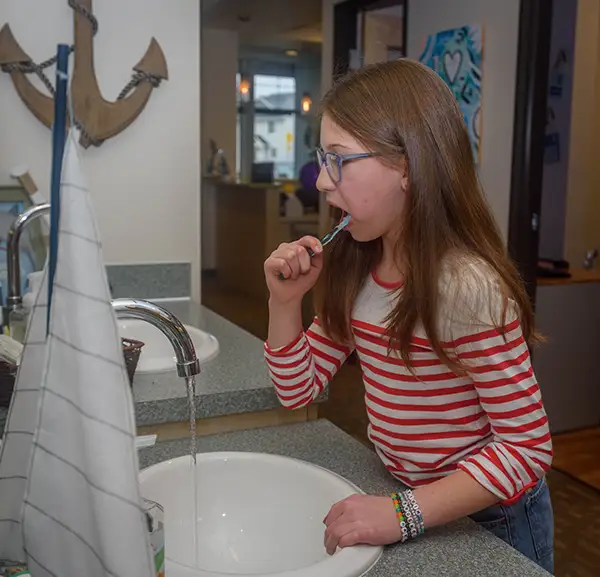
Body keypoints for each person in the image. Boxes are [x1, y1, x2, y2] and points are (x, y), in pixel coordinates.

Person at [262, 59, 554, 572]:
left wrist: (404, 514)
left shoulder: (467, 289)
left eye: (339, 160)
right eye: (320, 158)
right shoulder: (359, 266)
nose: (322, 182)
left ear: (408, 167)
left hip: (492, 517)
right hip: (407, 495)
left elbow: (526, 449)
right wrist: (284, 303)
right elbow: (297, 390)